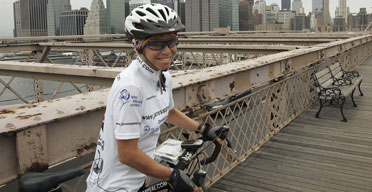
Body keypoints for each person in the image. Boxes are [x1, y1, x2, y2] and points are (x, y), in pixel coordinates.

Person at [86, 3, 223, 192]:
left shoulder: (162, 76)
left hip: (137, 178)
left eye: (172, 41)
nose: (167, 51)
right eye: (157, 43)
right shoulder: (131, 87)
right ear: (138, 45)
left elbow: (168, 112)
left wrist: (203, 128)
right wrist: (172, 176)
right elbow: (126, 154)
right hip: (113, 186)